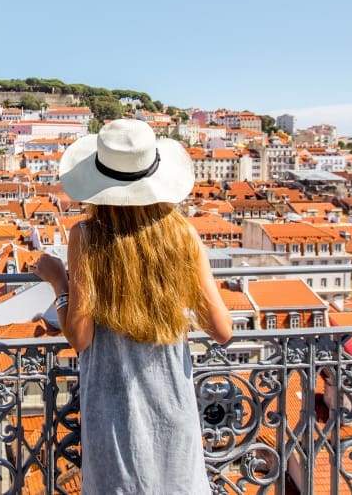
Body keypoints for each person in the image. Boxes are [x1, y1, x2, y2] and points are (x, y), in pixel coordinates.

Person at [35, 118, 233, 494]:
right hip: (173, 408)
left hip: (114, 414)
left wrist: (59, 281)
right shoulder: (182, 234)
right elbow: (222, 329)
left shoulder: (86, 236)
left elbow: (79, 337)